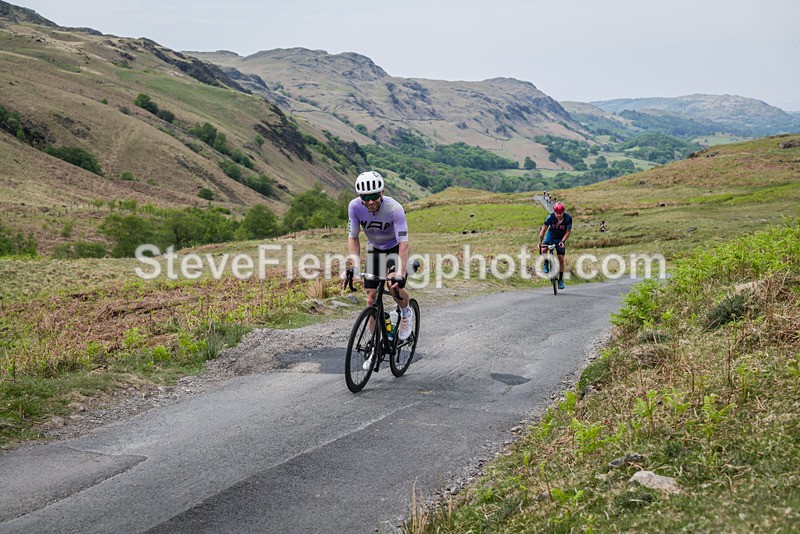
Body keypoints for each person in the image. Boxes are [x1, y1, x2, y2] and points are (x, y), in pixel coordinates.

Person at [344, 171, 414, 365]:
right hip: (375, 249)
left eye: (374, 196)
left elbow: (404, 244)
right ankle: (375, 347)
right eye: (365, 197)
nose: (370, 201)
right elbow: (353, 237)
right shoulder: (354, 207)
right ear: (360, 196)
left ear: (382, 192)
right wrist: (355, 265)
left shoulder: (395, 209)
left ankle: (406, 312)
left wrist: (399, 273)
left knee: (394, 286)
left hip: (394, 249)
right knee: (371, 298)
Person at [538, 201, 572, 290]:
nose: (559, 215)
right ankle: (546, 263)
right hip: (551, 236)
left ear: (563, 212)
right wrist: (540, 243)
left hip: (561, 238)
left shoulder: (568, 218)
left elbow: (568, 232)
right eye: (557, 213)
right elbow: (543, 230)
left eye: (560, 213)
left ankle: (560, 279)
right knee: (544, 249)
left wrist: (563, 241)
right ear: (554, 212)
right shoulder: (550, 217)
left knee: (561, 258)